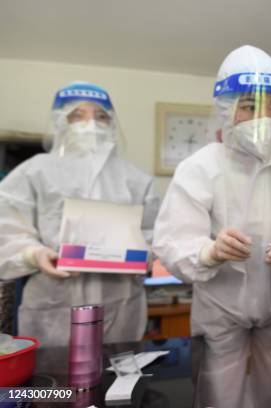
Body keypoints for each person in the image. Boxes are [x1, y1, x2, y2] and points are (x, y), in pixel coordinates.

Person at [153, 45, 271, 408]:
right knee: (216, 394)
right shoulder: (200, 167)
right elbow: (172, 240)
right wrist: (209, 251)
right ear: (226, 110)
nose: (265, 117)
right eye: (250, 105)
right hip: (220, 307)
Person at [0, 82, 160, 347]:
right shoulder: (35, 171)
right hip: (54, 304)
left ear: (111, 124)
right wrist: (34, 254)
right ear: (60, 122)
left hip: (121, 304)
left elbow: (154, 234)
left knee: (116, 379)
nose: (91, 124)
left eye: (101, 117)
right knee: (52, 382)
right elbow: (7, 225)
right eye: (78, 115)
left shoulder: (135, 179)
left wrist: (147, 254)